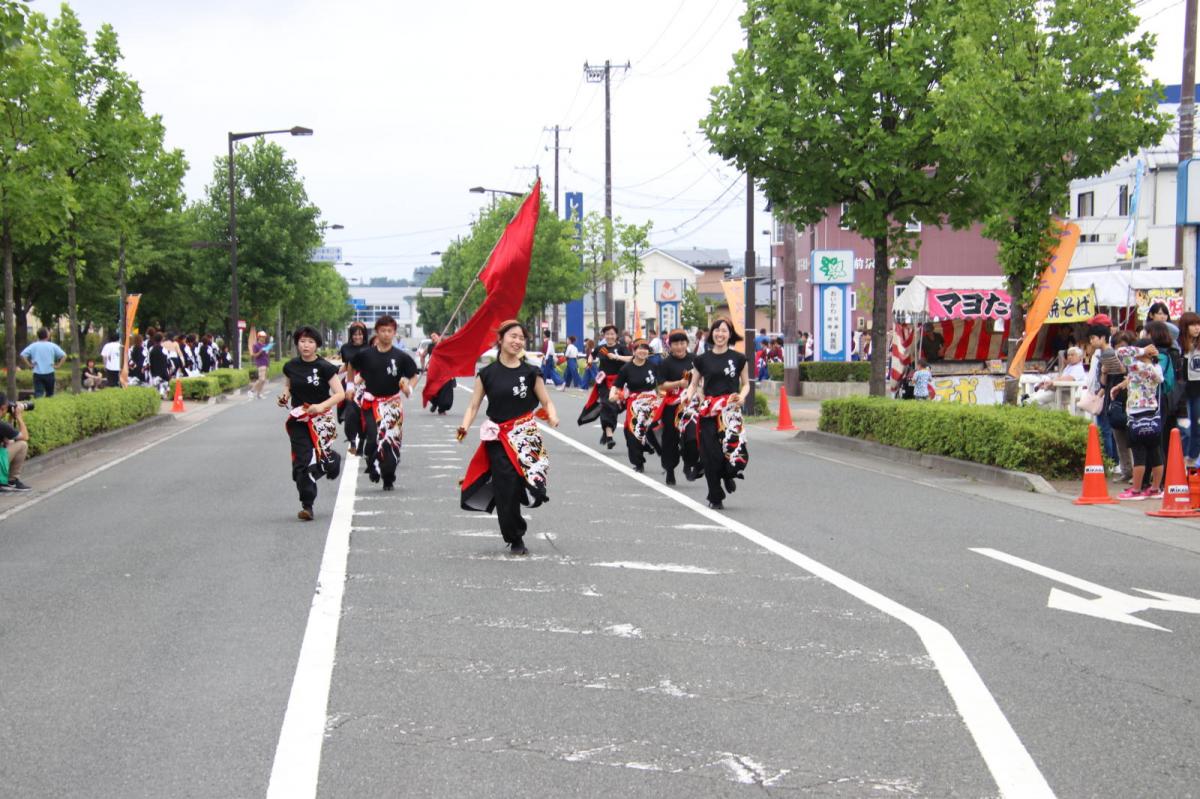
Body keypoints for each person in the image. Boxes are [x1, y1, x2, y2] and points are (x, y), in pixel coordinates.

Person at [458, 320, 559, 556]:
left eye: (521, 338)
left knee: (532, 484)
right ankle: (515, 536)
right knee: (506, 487)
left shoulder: (531, 372)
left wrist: (552, 415)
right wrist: (464, 426)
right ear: (501, 339)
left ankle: (522, 491)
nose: (517, 341)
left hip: (526, 435)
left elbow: (546, 401)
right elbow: (473, 406)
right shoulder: (487, 374)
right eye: (513, 336)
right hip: (499, 439)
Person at [277, 326, 345, 521]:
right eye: (302, 341)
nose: (306, 345)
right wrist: (284, 397)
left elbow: (339, 394)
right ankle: (307, 505)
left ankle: (333, 460)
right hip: (299, 419)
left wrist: (320, 406)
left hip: (321, 419)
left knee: (322, 460)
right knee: (302, 463)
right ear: (297, 343)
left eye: (310, 342)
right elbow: (288, 386)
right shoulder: (291, 366)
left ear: (316, 345)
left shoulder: (324, 367)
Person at [685, 318, 750, 510]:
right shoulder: (701, 359)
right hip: (709, 412)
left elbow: (746, 383)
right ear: (711, 333)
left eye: (724, 331)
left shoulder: (739, 359)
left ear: (730, 334)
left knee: (735, 456)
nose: (720, 334)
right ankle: (715, 496)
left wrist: (742, 396)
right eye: (716, 330)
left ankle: (728, 475)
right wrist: (689, 397)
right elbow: (694, 384)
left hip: (730, 412)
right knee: (709, 455)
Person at [350, 315, 417, 491]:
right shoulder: (365, 355)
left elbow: (414, 375)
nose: (386, 334)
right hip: (371, 403)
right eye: (382, 331)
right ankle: (372, 463)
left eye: (389, 331)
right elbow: (351, 366)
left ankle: (388, 477)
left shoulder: (401, 357)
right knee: (373, 438)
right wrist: (350, 386)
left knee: (390, 443)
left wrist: (408, 388)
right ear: (377, 332)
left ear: (394, 333)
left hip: (392, 405)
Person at [1113, 341, 1164, 501]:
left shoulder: (1135, 366)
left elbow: (1120, 352)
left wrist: (1142, 350)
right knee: (1155, 452)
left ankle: (1136, 490)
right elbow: (1160, 380)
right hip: (1153, 414)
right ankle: (1155, 489)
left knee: (1139, 453)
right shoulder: (1156, 369)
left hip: (1136, 414)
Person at [610, 338, 661, 473]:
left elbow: (662, 383)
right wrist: (613, 395)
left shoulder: (653, 366)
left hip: (651, 401)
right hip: (634, 402)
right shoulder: (626, 369)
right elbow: (617, 386)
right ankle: (638, 462)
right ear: (634, 350)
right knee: (631, 433)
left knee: (653, 428)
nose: (643, 351)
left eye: (645, 348)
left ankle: (655, 449)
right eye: (639, 348)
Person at [578, 325, 631, 449]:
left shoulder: (621, 348)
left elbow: (631, 358)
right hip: (604, 382)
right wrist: (589, 362)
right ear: (604, 336)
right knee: (607, 405)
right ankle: (609, 435)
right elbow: (592, 355)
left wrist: (617, 357)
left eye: (612, 334)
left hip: (618, 382)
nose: (610, 336)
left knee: (615, 408)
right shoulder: (601, 348)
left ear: (616, 336)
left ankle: (607, 432)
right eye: (607, 334)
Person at [657, 329, 695, 485]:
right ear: (670, 346)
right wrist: (679, 383)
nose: (679, 347)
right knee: (670, 439)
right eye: (676, 344)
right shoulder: (666, 363)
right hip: (672, 404)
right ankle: (670, 469)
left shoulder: (695, 360)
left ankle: (689, 463)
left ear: (687, 344)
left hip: (691, 404)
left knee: (693, 436)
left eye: (682, 343)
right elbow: (662, 385)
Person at [338, 322, 369, 454]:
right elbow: (346, 366)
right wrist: (332, 372)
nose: (358, 337)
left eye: (360, 334)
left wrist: (361, 378)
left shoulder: (370, 348)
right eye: (355, 334)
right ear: (351, 335)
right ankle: (352, 441)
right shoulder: (345, 348)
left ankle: (362, 441)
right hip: (350, 382)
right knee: (350, 413)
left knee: (365, 415)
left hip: (367, 383)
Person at [19, 328, 66, 398]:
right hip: (49, 372)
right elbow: (64, 355)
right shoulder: (52, 345)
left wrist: (29, 364)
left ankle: (39, 407)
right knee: (50, 394)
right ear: (47, 335)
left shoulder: (33, 345)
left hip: (37, 373)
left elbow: (22, 355)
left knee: (38, 394)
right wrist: (58, 366)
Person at [1179, 312, 1200, 467]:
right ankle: (1182, 457)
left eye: (1198, 324)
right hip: (1182, 391)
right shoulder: (1178, 345)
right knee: (1184, 427)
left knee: (1196, 425)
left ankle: (1192, 458)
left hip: (1198, 390)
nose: (1197, 328)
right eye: (1192, 325)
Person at [0, 394, 31, 492]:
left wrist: (9, 419)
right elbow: (25, 436)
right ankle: (12, 481)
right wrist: (18, 416)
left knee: (8, 443)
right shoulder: (2, 425)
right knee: (22, 445)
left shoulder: (3, 426)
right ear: (3, 408)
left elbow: (6, 439)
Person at [425, 331, 456, 415]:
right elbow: (424, 355)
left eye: (434, 336)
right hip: (435, 371)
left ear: (439, 336)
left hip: (445, 372)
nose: (433, 338)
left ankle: (442, 409)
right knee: (433, 389)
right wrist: (424, 366)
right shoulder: (431, 347)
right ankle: (435, 403)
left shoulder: (445, 345)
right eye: (431, 337)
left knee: (445, 391)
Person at [250, 331, 271, 399]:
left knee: (263, 380)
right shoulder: (256, 345)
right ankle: (252, 391)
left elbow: (267, 355)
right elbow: (254, 355)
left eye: (264, 337)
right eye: (262, 337)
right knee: (261, 379)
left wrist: (268, 364)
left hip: (265, 363)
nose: (264, 338)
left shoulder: (265, 345)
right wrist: (260, 351)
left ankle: (259, 394)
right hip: (260, 363)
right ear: (259, 337)